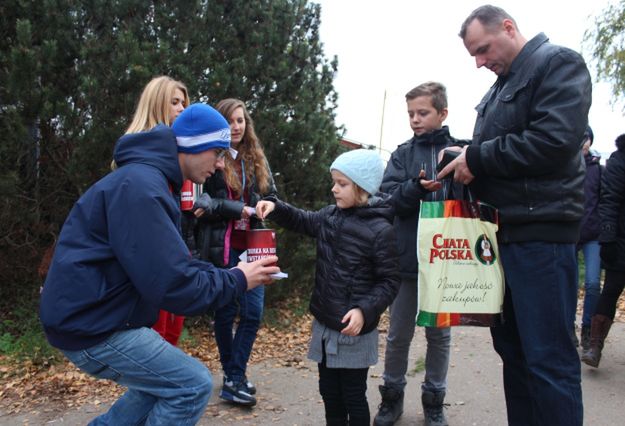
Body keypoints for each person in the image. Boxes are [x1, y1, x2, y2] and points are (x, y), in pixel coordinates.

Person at [39, 103, 280, 425]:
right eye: (217, 153)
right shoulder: (142, 188)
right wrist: (237, 279)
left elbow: (176, 264)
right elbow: (175, 285)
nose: (221, 165)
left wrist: (232, 275)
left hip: (98, 315)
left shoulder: (149, 181)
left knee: (158, 386)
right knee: (191, 384)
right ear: (194, 146)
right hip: (93, 324)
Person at [439, 5, 592, 425]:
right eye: (474, 54)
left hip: (541, 238)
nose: (480, 62)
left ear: (509, 28)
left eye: (484, 49)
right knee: (515, 355)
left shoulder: (557, 63)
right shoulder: (498, 87)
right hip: (500, 238)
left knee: (549, 359)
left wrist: (479, 157)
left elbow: (554, 141)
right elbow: (496, 150)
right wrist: (460, 157)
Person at [256, 149, 401, 426]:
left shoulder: (381, 231)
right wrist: (276, 207)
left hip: (353, 331)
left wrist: (364, 310)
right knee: (329, 393)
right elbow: (302, 219)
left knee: (353, 396)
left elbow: (389, 281)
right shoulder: (329, 217)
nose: (334, 188)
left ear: (362, 188)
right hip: (325, 327)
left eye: (342, 184)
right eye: (334, 181)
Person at [374, 82, 465, 426]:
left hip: (445, 260)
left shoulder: (462, 149)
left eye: (422, 113)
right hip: (406, 260)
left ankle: (434, 401)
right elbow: (387, 199)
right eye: (410, 113)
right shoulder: (402, 154)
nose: (415, 119)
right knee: (398, 335)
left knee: (439, 336)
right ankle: (391, 398)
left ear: (442, 113)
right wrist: (414, 188)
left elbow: (475, 191)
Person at [193, 98, 277, 406]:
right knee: (226, 313)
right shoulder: (211, 159)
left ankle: (234, 375)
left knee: (253, 314)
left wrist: (269, 205)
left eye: (240, 120)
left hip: (254, 247)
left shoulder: (257, 157)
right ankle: (234, 378)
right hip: (223, 248)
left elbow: (272, 196)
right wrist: (237, 208)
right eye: (230, 121)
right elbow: (203, 206)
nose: (236, 126)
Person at [120, 75, 192, 346]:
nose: (182, 109)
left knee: (171, 337)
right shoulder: (138, 153)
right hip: (150, 263)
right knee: (155, 341)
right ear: (156, 105)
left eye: (183, 103)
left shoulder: (180, 155)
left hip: (175, 256)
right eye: (174, 102)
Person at [582, 133, 625, 368]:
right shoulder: (619, 160)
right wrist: (607, 237)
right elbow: (609, 200)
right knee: (609, 291)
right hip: (621, 240)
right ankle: (595, 346)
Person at [577, 126, 603, 350]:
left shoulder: (598, 169)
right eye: (581, 138)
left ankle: (588, 329)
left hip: (593, 235)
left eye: (587, 139)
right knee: (567, 285)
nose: (584, 142)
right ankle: (567, 328)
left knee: (593, 283)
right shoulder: (566, 166)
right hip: (569, 234)